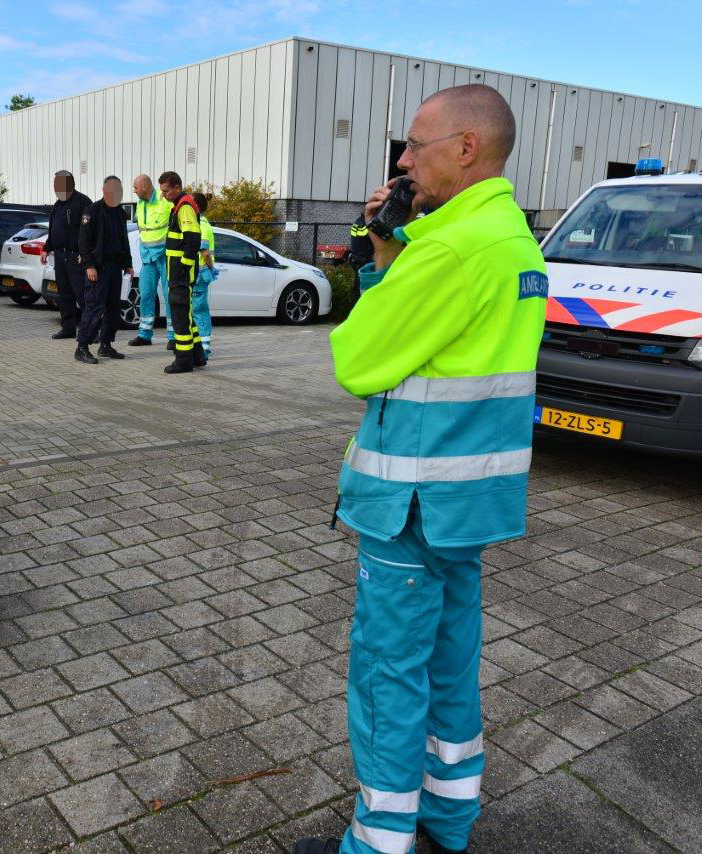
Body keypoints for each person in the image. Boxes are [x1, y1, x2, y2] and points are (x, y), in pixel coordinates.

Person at [292, 84, 547, 854]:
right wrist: (386, 249)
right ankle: (447, 819)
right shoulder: (509, 238)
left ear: (466, 149)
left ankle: (378, 842)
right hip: (466, 507)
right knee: (449, 666)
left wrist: (392, 253)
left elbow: (360, 359)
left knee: (386, 677)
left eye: (414, 145)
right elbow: (430, 340)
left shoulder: (449, 248)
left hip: (412, 504)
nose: (402, 161)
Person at [75, 176, 135, 364]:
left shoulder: (119, 212)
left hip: (115, 267)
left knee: (112, 308)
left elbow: (123, 239)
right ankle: (82, 347)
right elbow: (83, 241)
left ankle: (106, 344)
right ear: (103, 190)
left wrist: (128, 264)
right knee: (94, 307)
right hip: (98, 268)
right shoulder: (92, 211)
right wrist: (89, 266)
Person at [157, 171, 205, 374]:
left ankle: (183, 361)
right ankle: (197, 356)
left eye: (166, 191)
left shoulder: (184, 207)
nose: (164, 195)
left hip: (181, 272)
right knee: (186, 315)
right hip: (179, 270)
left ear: (177, 188)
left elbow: (192, 239)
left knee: (180, 315)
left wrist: (183, 268)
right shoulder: (179, 206)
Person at [127, 174, 174, 348]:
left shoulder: (165, 201)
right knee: (146, 295)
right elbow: (142, 229)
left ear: (145, 187)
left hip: (165, 256)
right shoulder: (140, 204)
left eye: (135, 187)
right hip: (147, 258)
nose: (134, 190)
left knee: (171, 297)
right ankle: (144, 334)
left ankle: (174, 336)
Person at [46, 170, 93, 339]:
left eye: (57, 184)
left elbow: (89, 231)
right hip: (60, 256)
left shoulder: (83, 202)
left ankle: (90, 331)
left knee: (82, 295)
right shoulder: (58, 204)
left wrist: (84, 253)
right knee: (64, 295)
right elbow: (53, 230)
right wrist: (47, 248)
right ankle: (68, 328)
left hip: (76, 257)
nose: (54, 187)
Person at [190, 191, 217, 359]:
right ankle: (200, 347)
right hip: (198, 272)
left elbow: (205, 253)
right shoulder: (200, 223)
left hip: (200, 272)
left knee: (198, 311)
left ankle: (204, 348)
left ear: (197, 206)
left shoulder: (202, 225)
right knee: (197, 310)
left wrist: (211, 268)